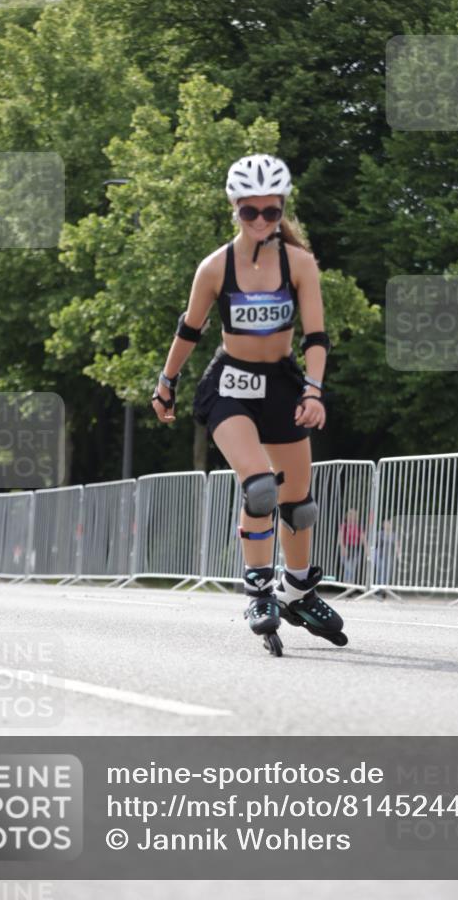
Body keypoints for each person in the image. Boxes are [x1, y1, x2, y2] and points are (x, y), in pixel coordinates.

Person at [151, 154, 347, 656]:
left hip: (282, 383)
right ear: (234, 209)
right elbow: (189, 329)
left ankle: (298, 592)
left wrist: (313, 390)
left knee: (300, 506)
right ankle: (259, 592)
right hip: (231, 384)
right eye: (250, 212)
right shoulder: (215, 267)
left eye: (271, 212)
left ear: (282, 210)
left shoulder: (299, 264)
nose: (261, 220)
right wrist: (166, 382)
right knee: (260, 487)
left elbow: (317, 335)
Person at [338, 508, 368, 585]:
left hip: (356, 550)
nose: (352, 517)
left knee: (352, 569)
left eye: (354, 515)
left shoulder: (359, 527)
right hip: (346, 548)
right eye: (350, 515)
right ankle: (347, 586)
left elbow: (363, 539)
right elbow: (340, 538)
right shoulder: (344, 526)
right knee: (348, 569)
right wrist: (342, 548)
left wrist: (367, 550)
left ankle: (349, 586)